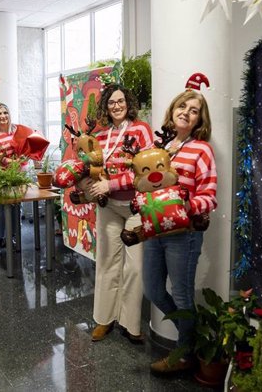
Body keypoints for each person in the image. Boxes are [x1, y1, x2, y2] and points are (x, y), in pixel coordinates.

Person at [144, 88, 217, 375]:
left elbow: (210, 197)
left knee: (183, 295)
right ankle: (195, 341)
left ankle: (184, 354)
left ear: (199, 120)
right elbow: (141, 181)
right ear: (173, 110)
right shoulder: (160, 147)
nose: (186, 111)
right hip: (155, 232)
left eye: (194, 109)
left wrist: (184, 203)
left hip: (183, 235)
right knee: (152, 290)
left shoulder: (202, 149)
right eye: (182, 106)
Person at [86, 84, 153, 344]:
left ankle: (130, 323)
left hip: (135, 208)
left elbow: (146, 171)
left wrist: (111, 184)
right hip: (109, 207)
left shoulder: (141, 129)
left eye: (120, 101)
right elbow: (95, 169)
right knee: (106, 263)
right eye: (111, 102)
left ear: (128, 103)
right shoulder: (101, 137)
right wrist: (92, 183)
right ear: (106, 106)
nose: (116, 106)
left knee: (135, 267)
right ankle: (105, 319)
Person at [0, 99, 24, 251]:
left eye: (5, 112)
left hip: (17, 174)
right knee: (1, 208)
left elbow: (24, 149)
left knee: (16, 206)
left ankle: (14, 236)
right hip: (1, 175)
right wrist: (9, 160)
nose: (3, 116)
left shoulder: (17, 131)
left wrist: (21, 159)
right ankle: (1, 237)